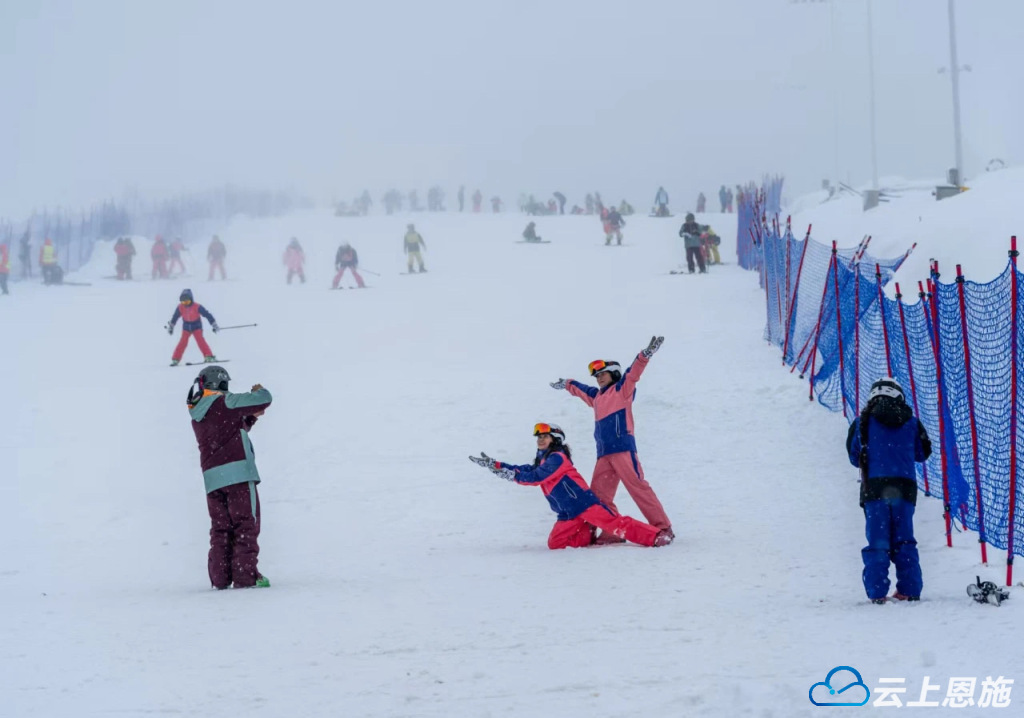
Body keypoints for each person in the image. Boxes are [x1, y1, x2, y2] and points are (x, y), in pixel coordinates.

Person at [469, 423, 673, 549]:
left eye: (545, 436)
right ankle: (589, 532)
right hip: (568, 513)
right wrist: (496, 466)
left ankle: (655, 536)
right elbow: (525, 469)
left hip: (584, 504)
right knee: (555, 544)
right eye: (539, 437)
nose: (540, 440)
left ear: (555, 439)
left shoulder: (557, 458)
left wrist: (509, 475)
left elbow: (536, 477)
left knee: (616, 524)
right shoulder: (542, 460)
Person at [550, 336, 673, 541]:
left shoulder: (621, 390)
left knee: (637, 487)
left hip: (623, 450)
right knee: (598, 496)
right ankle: (611, 532)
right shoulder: (597, 397)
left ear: (614, 373)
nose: (598, 378)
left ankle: (663, 527)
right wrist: (566, 383)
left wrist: (645, 354)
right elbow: (580, 389)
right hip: (604, 454)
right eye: (596, 376)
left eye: (602, 374)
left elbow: (633, 374)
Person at [846, 377, 932, 604]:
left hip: (875, 488)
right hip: (904, 489)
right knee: (904, 539)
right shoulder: (912, 422)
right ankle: (909, 588)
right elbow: (923, 453)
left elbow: (854, 457)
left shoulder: (862, 422)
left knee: (878, 540)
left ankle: (877, 593)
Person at [187, 365, 273, 589]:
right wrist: (259, 391)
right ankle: (246, 578)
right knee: (246, 525)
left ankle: (221, 579)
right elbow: (264, 398)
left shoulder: (198, 414)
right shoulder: (224, 402)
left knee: (220, 529)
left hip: (213, 481)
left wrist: (250, 419)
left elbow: (232, 429)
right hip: (239, 476)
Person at [166, 288, 219, 366]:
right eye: (183, 302)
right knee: (182, 342)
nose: (186, 304)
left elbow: (207, 314)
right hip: (186, 327)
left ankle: (209, 356)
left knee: (200, 340)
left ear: (191, 299)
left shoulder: (197, 306)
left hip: (196, 326)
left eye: (187, 301)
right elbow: (175, 317)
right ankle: (176, 359)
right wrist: (171, 326)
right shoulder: (180, 307)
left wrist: (213, 324)